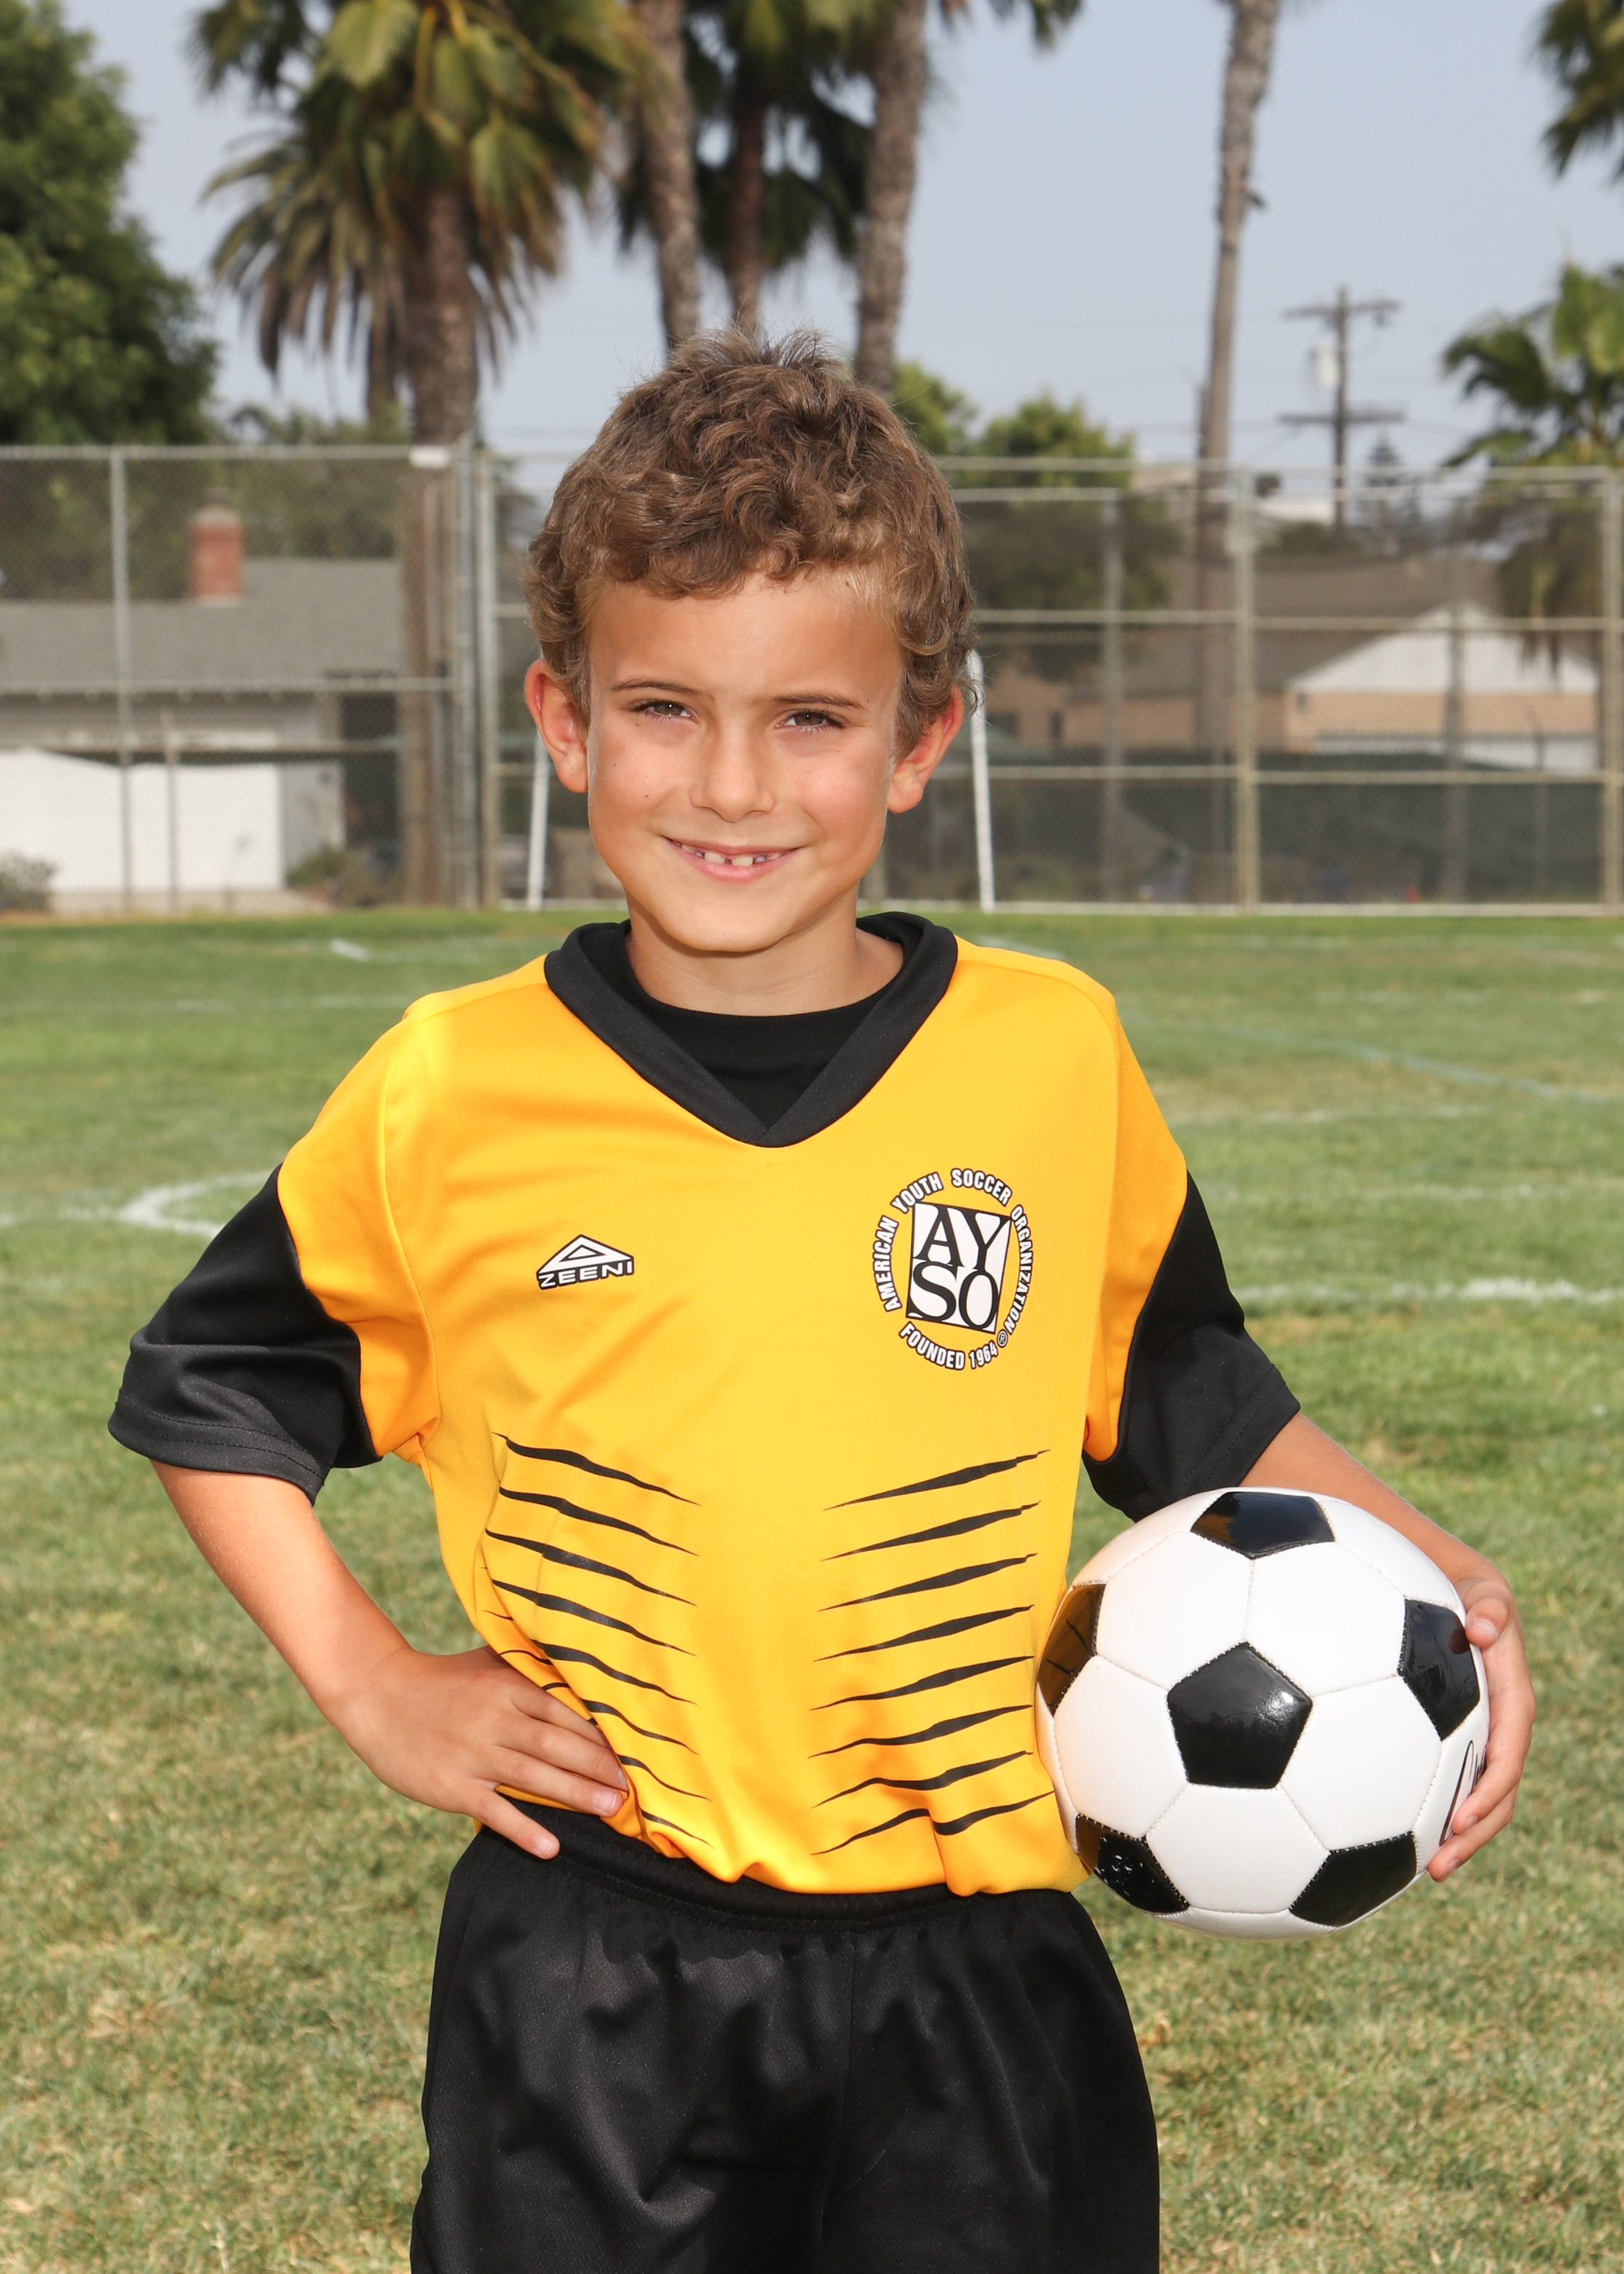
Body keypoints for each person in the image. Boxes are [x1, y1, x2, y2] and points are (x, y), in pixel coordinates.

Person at [108, 332, 1535, 2274]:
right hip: (595, 1967)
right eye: (663, 707)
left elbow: (1182, 1385)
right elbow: (217, 1383)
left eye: (807, 717)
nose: (730, 783)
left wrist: (1435, 1568)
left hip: (975, 1973)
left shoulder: (1046, 1055)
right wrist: (369, 1679)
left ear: (918, 739)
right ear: (563, 719)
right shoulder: (453, 1087)